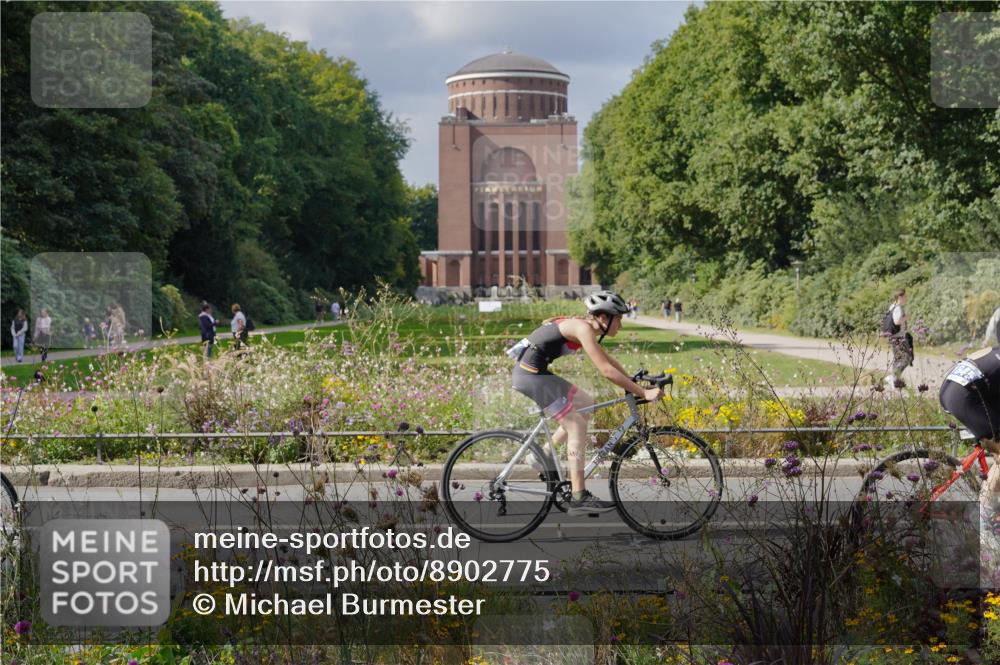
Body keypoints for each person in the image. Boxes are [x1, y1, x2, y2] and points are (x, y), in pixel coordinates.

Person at [507, 290, 663, 515]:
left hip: (535, 373)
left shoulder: (585, 328)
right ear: (604, 317)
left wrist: (633, 383)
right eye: (618, 318)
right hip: (530, 376)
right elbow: (606, 371)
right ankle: (579, 497)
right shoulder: (583, 329)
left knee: (584, 402)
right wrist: (643, 393)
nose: (621, 324)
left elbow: (609, 361)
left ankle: (541, 456)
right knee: (576, 425)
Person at [883, 289, 912, 388]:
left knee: (897, 359)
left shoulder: (892, 306)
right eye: (905, 296)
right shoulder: (898, 308)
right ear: (900, 297)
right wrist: (906, 317)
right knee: (906, 358)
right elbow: (897, 322)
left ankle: (894, 379)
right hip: (898, 337)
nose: (906, 298)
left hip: (894, 337)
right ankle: (893, 378)